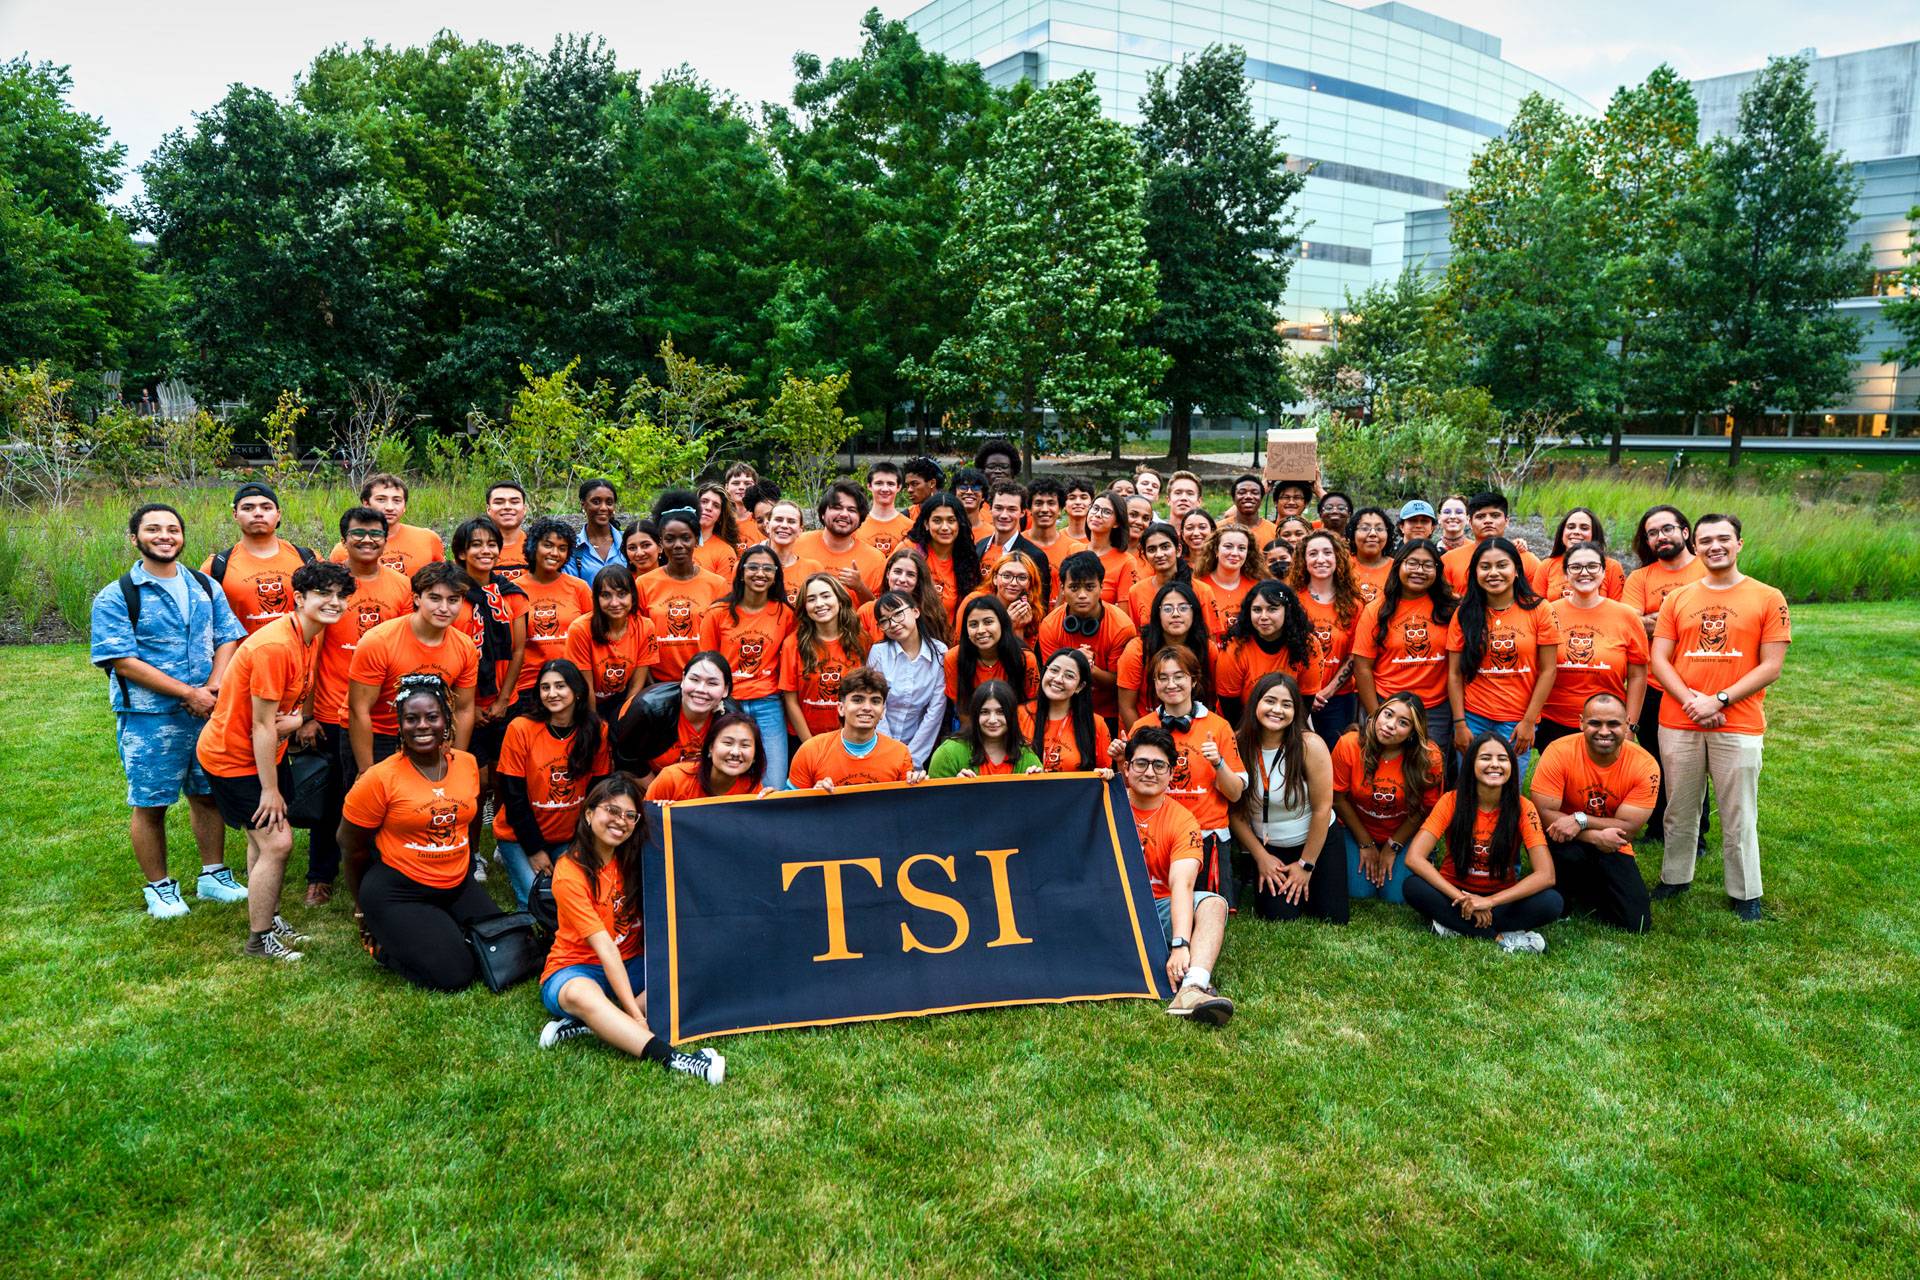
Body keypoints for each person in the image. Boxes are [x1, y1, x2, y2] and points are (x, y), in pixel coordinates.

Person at [92, 502, 250, 919]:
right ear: (135, 538)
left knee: (207, 795)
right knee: (151, 802)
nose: (164, 536)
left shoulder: (203, 585)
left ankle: (213, 875)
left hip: (206, 712)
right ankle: (159, 887)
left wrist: (214, 686)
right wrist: (188, 693)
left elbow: (228, 636)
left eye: (172, 529)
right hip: (150, 719)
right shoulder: (117, 595)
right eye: (153, 529)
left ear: (182, 536)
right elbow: (122, 661)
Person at [195, 560, 353, 961]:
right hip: (234, 758)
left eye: (340, 595)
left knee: (260, 841)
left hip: (264, 752)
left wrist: (299, 719)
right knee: (278, 842)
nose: (334, 602)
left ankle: (270, 916)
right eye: (323, 594)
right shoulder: (275, 646)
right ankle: (259, 940)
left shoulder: (310, 635)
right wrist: (269, 790)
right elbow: (262, 727)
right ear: (299, 598)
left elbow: (285, 714)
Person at [535, 777, 726, 1082]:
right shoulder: (569, 872)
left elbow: (692, 842)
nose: (620, 821)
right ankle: (679, 1061)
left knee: (698, 968)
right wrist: (637, 1017)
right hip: (575, 968)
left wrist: (669, 815)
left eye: (629, 815)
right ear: (588, 813)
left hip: (632, 964)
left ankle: (592, 1025)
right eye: (611, 810)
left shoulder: (636, 855)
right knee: (585, 996)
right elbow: (605, 948)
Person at [1649, 513, 1790, 921]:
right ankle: (1675, 877)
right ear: (1694, 546)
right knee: (1679, 806)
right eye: (1706, 540)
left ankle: (1745, 891)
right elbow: (1660, 657)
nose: (1715, 546)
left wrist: (1719, 700)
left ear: (1739, 543)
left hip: (1739, 720)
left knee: (1738, 810)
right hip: (1679, 719)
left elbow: (1771, 666)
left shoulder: (1767, 597)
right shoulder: (1678, 598)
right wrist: (1693, 701)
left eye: (1723, 539)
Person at [336, 678, 490, 985]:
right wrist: (361, 910)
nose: (422, 726)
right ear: (400, 725)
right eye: (412, 718)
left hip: (457, 882)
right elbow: (350, 845)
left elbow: (469, 818)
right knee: (456, 975)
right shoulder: (379, 778)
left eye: (432, 717)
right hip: (399, 890)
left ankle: (439, 928)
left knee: (510, 945)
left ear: (446, 721)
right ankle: (385, 949)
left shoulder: (468, 764)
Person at [302, 507, 413, 905]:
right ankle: (320, 874)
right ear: (343, 539)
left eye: (375, 533)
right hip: (334, 709)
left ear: (386, 537)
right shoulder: (331, 585)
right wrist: (309, 714)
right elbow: (311, 650)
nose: (367, 540)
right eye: (357, 533)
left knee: (382, 796)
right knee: (333, 797)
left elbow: (406, 644)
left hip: (383, 713)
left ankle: (382, 870)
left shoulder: (401, 585)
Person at [1402, 732, 1561, 952]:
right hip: (1455, 895)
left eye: (1502, 759)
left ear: (1512, 766)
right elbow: (1414, 858)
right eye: (1485, 758)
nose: (1494, 765)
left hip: (1500, 899)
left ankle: (1454, 925)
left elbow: (1546, 875)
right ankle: (1499, 938)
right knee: (1413, 887)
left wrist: (1489, 902)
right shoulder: (1450, 801)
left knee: (1552, 902)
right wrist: (1464, 900)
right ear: (1471, 764)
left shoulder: (1523, 807)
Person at [1122, 728, 1234, 1025]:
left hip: (1158, 911)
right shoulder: (1106, 804)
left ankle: (1193, 987)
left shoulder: (1183, 820)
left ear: (1171, 774)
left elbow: (1182, 884)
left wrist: (1180, 944)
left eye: (1159, 766)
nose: (1150, 772)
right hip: (1112, 909)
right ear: (1126, 768)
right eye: (1141, 763)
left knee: (1213, 903)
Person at [1129, 645, 1247, 901]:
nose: (1171, 684)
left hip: (1206, 834)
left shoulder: (1219, 727)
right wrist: (1119, 759)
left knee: (1206, 910)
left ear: (1193, 680)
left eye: (1179, 676)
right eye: (1163, 677)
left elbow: (1236, 794)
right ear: (1154, 684)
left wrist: (1218, 763)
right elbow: (1129, 785)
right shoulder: (1141, 727)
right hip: (1153, 834)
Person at [1530, 693, 1657, 933]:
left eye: (1613, 724)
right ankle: (1564, 893)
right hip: (1562, 839)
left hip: (1612, 842)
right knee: (1565, 858)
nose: (1604, 731)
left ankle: (1588, 887)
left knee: (1636, 923)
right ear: (1581, 723)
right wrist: (1594, 836)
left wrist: (1582, 820)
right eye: (1595, 723)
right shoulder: (1559, 751)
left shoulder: (1645, 764)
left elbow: (1628, 829)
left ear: (1627, 723)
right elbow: (1545, 814)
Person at [493, 659, 611, 909]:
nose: (552, 693)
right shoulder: (521, 729)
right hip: (518, 836)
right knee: (534, 899)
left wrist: (584, 839)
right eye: (545, 687)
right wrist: (535, 850)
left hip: (568, 837)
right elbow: (513, 797)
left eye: (560, 686)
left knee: (575, 896)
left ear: (577, 691)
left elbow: (597, 792)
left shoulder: (596, 730)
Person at [1622, 504, 1707, 843]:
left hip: (1699, 683)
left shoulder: (1706, 569)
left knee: (1692, 764)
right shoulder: (1641, 577)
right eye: (1652, 533)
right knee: (1655, 758)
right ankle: (1658, 827)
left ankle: (1696, 834)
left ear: (1685, 532)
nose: (1661, 537)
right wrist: (1676, 620)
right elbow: (1629, 622)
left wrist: (1657, 619)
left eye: (1667, 529)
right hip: (1653, 684)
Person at [347, 562, 480, 772]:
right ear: (417, 599)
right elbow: (359, 709)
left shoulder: (465, 647)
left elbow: (463, 709)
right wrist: (366, 770)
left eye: (453, 600)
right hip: (380, 734)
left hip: (431, 732)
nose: (444, 608)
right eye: (435, 599)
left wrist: (455, 760)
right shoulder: (379, 641)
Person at [1228, 672, 1338, 923]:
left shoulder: (1310, 745)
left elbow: (1323, 808)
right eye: (1270, 701)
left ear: (1296, 711)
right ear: (1255, 703)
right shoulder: (1237, 743)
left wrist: (1306, 865)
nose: (1277, 710)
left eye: (1286, 705)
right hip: (1270, 848)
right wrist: (1261, 857)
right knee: (1278, 916)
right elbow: (1234, 812)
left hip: (1315, 841)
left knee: (1331, 916)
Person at [1445, 536, 1559, 777]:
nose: (1493, 573)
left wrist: (1529, 721)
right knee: (1471, 788)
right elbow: (1455, 673)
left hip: (1517, 721)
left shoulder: (1539, 609)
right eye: (1485, 567)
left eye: (1502, 565)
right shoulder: (1464, 613)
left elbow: (1548, 670)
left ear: (1516, 571)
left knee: (1508, 789)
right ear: (1475, 573)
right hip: (1473, 717)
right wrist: (1460, 724)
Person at [698, 545, 797, 790]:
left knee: (774, 784)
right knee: (724, 778)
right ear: (741, 572)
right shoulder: (718, 613)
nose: (760, 573)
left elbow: (792, 656)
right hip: (728, 704)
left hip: (769, 703)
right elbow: (707, 664)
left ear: (776, 575)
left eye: (767, 568)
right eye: (753, 567)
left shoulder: (784, 613)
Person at [1330, 693, 1444, 905]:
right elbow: (1338, 799)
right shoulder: (1349, 745)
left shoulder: (1429, 757)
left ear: (1412, 733)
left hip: (1402, 830)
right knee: (1359, 891)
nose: (1391, 725)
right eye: (1388, 714)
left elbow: (1424, 809)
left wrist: (1393, 845)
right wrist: (1365, 843)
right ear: (1376, 715)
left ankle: (1423, 853)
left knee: (1396, 895)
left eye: (1403, 723)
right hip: (1356, 828)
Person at [1539, 542, 1647, 753]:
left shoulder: (1626, 616)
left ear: (1604, 572)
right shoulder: (1547, 613)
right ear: (1566, 573)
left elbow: (1637, 676)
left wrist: (1630, 726)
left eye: (1592, 566)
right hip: (1553, 721)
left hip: (1607, 724)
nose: (1584, 573)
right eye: (1576, 567)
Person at [1352, 539, 1458, 750]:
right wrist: (1376, 715)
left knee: (1430, 770)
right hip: (1387, 704)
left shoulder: (1451, 608)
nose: (1419, 570)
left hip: (1435, 709)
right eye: (1412, 563)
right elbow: (1362, 668)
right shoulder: (1377, 610)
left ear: (1437, 570)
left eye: (1428, 565)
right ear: (1398, 565)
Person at [448, 516, 529, 769]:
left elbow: (518, 650)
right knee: (473, 775)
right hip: (461, 704)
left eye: (492, 544)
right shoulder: (450, 597)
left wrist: (503, 700)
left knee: (504, 772)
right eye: (476, 545)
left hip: (505, 701)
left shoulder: (512, 595)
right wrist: (467, 706)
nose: (486, 551)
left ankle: (499, 812)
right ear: (462, 552)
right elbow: (445, 656)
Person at [1036, 551, 1138, 726]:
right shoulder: (1050, 625)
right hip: (1064, 710)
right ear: (1062, 588)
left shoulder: (1122, 626)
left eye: (1090, 587)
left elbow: (1120, 682)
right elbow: (1050, 679)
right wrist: (1075, 665)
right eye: (1074, 588)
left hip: (1108, 714)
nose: (1082, 595)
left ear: (1101, 587)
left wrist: (1089, 669)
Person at [201, 482, 318, 634]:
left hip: (299, 656)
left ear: (278, 514)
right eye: (247, 508)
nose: (257, 513)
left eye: (266, 507)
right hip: (241, 656)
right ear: (235, 514)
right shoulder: (216, 566)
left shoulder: (307, 558)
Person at [787, 666, 924, 788]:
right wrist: (813, 796)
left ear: (882, 711)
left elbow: (904, 809)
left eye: (875, 701)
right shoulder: (811, 750)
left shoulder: (900, 753)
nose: (866, 708)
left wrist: (919, 788)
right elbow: (791, 808)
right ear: (841, 708)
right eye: (857, 700)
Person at [613, 650, 740, 782]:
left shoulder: (731, 716)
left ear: (725, 690)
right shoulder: (649, 709)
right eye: (694, 680)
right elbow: (628, 760)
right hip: (643, 773)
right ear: (683, 679)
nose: (701, 690)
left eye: (712, 683)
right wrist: (662, 794)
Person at [636, 507, 731, 681]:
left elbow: (724, 639)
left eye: (686, 538)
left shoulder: (717, 585)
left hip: (703, 683)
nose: (678, 545)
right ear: (661, 543)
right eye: (670, 539)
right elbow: (637, 639)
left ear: (696, 540)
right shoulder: (643, 584)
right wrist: (649, 684)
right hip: (657, 683)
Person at [1290, 530, 1361, 755]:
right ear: (1304, 560)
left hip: (1338, 699)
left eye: (1327, 552)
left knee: (1335, 758)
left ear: (1337, 557)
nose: (1320, 559)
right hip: (1296, 695)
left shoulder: (1354, 604)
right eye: (1313, 553)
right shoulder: (1292, 599)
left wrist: (1326, 692)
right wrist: (1307, 693)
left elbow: (1355, 655)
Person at [1213, 579, 1316, 727]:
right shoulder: (1234, 648)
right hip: (1240, 726)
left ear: (1288, 610)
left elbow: (1305, 703)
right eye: (1257, 610)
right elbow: (1230, 708)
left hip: (1286, 722)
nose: (1263, 616)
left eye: (1272, 609)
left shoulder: (1308, 646)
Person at [866, 590, 950, 767]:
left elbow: (935, 711)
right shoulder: (879, 653)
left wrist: (911, 760)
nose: (893, 624)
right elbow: (876, 707)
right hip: (877, 746)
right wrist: (889, 754)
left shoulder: (940, 652)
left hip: (918, 750)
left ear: (915, 611)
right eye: (885, 621)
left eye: (898, 614)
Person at [564, 564, 657, 724]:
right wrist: (595, 724)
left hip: (622, 698)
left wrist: (624, 719)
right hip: (584, 700)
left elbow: (636, 684)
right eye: (606, 595)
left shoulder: (645, 626)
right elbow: (585, 688)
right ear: (596, 599)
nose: (614, 603)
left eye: (622, 594)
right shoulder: (580, 629)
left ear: (632, 596)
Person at [781, 573, 867, 742]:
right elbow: (791, 701)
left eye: (826, 596)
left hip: (849, 737)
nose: (819, 604)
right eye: (811, 599)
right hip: (803, 738)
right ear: (804, 607)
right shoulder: (793, 644)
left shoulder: (860, 640)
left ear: (840, 600)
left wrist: (844, 739)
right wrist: (810, 745)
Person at [515, 518, 594, 701]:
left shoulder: (579, 588)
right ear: (534, 547)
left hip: (573, 681)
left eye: (562, 548)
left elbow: (592, 637)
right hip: (529, 686)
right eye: (548, 545)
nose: (554, 553)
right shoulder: (514, 590)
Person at [1116, 580, 1214, 727]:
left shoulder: (1207, 649)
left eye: (1183, 608)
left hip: (1194, 732)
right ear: (1157, 614)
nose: (1175, 614)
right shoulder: (1137, 650)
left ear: (1194, 613)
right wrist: (1144, 744)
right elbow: (1126, 707)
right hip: (1145, 732)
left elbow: (1212, 699)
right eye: (1168, 609)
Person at [325, 473, 445, 576]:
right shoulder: (345, 549)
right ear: (366, 503)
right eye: (381, 499)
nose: (390, 507)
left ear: (404, 506)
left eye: (397, 500)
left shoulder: (428, 539)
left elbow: (444, 581)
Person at [1020, 648, 1114, 774]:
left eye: (1069, 676)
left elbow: (1104, 776)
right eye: (1054, 670)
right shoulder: (1018, 715)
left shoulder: (1096, 724)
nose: (1058, 679)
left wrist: (1105, 773)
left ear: (1080, 686)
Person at [928, 681, 1043, 777]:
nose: (992, 719)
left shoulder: (1028, 758)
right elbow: (935, 801)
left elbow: (1041, 802)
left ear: (1012, 716)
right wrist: (957, 790)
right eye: (984, 712)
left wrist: (1035, 786)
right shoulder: (948, 754)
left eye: (1001, 712)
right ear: (974, 715)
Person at [797, 481, 887, 603]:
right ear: (823, 513)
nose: (844, 514)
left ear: (861, 517)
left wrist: (860, 587)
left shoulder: (876, 559)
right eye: (837, 508)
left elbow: (878, 611)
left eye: (852, 510)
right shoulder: (797, 544)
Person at [947, 596, 1036, 718]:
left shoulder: (1025, 658)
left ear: (1002, 624)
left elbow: (1031, 706)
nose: (981, 630)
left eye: (988, 622)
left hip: (1016, 724)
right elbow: (962, 710)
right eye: (973, 624)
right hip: (972, 726)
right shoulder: (954, 658)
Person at [646, 711, 769, 800]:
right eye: (728, 743)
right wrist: (659, 811)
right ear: (710, 747)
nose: (735, 752)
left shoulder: (753, 789)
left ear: (754, 756)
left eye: (745, 745)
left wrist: (772, 805)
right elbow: (642, 827)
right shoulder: (672, 779)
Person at [1441, 492, 1542, 594]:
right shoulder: (1449, 561)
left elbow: (1539, 600)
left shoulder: (1527, 560)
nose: (1488, 521)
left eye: (1495, 515)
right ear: (1470, 522)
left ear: (1506, 521)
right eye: (1480, 517)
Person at [1127, 522, 1220, 633]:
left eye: (1165, 547)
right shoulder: (1136, 591)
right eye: (1152, 549)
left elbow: (1211, 640)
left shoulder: (1202, 591)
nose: (1159, 554)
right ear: (1145, 555)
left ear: (1178, 550)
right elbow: (1138, 636)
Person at [976, 481, 1057, 605]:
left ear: (1022, 512)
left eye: (1012, 509)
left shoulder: (1034, 556)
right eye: (998, 508)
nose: (1004, 515)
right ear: (990, 509)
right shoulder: (979, 546)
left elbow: (1040, 606)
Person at [907, 491, 981, 625]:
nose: (945, 527)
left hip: (949, 641)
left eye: (951, 520)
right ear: (926, 524)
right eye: (937, 520)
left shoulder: (967, 558)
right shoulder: (909, 551)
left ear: (960, 524)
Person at [858, 547, 951, 646]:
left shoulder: (930, 612)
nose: (902, 579)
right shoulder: (866, 612)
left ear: (918, 580)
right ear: (888, 574)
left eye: (910, 575)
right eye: (897, 572)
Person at [1532, 507, 1625, 601]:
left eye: (1584, 528)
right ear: (1562, 532)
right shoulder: (1546, 565)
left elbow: (1618, 610)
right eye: (1571, 527)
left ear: (1595, 533)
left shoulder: (1612, 567)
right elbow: (1537, 609)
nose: (1576, 532)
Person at [1023, 477, 1085, 600]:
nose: (1045, 509)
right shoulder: (1017, 543)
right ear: (1029, 508)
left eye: (1051, 503)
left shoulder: (1075, 549)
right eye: (1038, 503)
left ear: (1060, 510)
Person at [758, 499, 823, 607]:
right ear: (767, 526)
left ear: (800, 531)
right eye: (778, 519)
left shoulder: (813, 569)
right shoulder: (751, 567)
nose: (784, 525)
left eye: (791, 521)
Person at [1197, 525, 1259, 635]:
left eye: (1241, 548)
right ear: (1216, 550)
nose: (1235, 553)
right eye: (1228, 546)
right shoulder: (1199, 586)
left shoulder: (1257, 587)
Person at [566, 478, 624, 585]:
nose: (603, 508)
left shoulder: (628, 542)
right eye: (596, 502)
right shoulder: (573, 547)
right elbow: (571, 589)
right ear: (583, 504)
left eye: (609, 502)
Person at [1084, 491, 1138, 605]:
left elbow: (1124, 615)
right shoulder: (1073, 550)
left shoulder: (1126, 562)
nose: (1098, 514)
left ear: (1117, 523)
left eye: (1107, 512)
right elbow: (1062, 602)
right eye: (1095, 508)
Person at [858, 461, 913, 554]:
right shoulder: (856, 525)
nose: (885, 489)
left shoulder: (911, 527)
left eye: (890, 484)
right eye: (879, 483)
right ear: (869, 486)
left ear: (899, 487)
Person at [1346, 506, 1396, 605]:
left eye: (1379, 529)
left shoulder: (1397, 568)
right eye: (1365, 528)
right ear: (1353, 533)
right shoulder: (1341, 564)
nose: (1373, 534)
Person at [485, 481, 531, 581]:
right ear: (488, 509)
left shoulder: (538, 547)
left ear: (524, 509)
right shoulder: (475, 549)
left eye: (514, 502)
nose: (507, 507)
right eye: (499, 502)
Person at [1222, 473, 1277, 552]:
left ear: (1261, 499)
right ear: (1233, 499)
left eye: (1254, 492)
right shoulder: (1219, 529)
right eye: (1242, 492)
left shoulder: (1274, 531)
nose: (1248, 496)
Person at [724, 462, 763, 546]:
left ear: (756, 487)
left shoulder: (764, 521)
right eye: (736, 483)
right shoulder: (720, 521)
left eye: (747, 484)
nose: (741, 487)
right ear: (726, 487)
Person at [951, 467, 992, 538]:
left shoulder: (992, 534)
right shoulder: (947, 530)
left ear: (983, 497)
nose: (969, 492)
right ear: (955, 493)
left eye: (976, 488)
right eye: (963, 487)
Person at [1062, 475, 1096, 542]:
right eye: (1072, 498)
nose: (1078, 502)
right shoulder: (1054, 539)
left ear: (1092, 502)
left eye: (1083, 497)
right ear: (1063, 504)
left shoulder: (1100, 539)